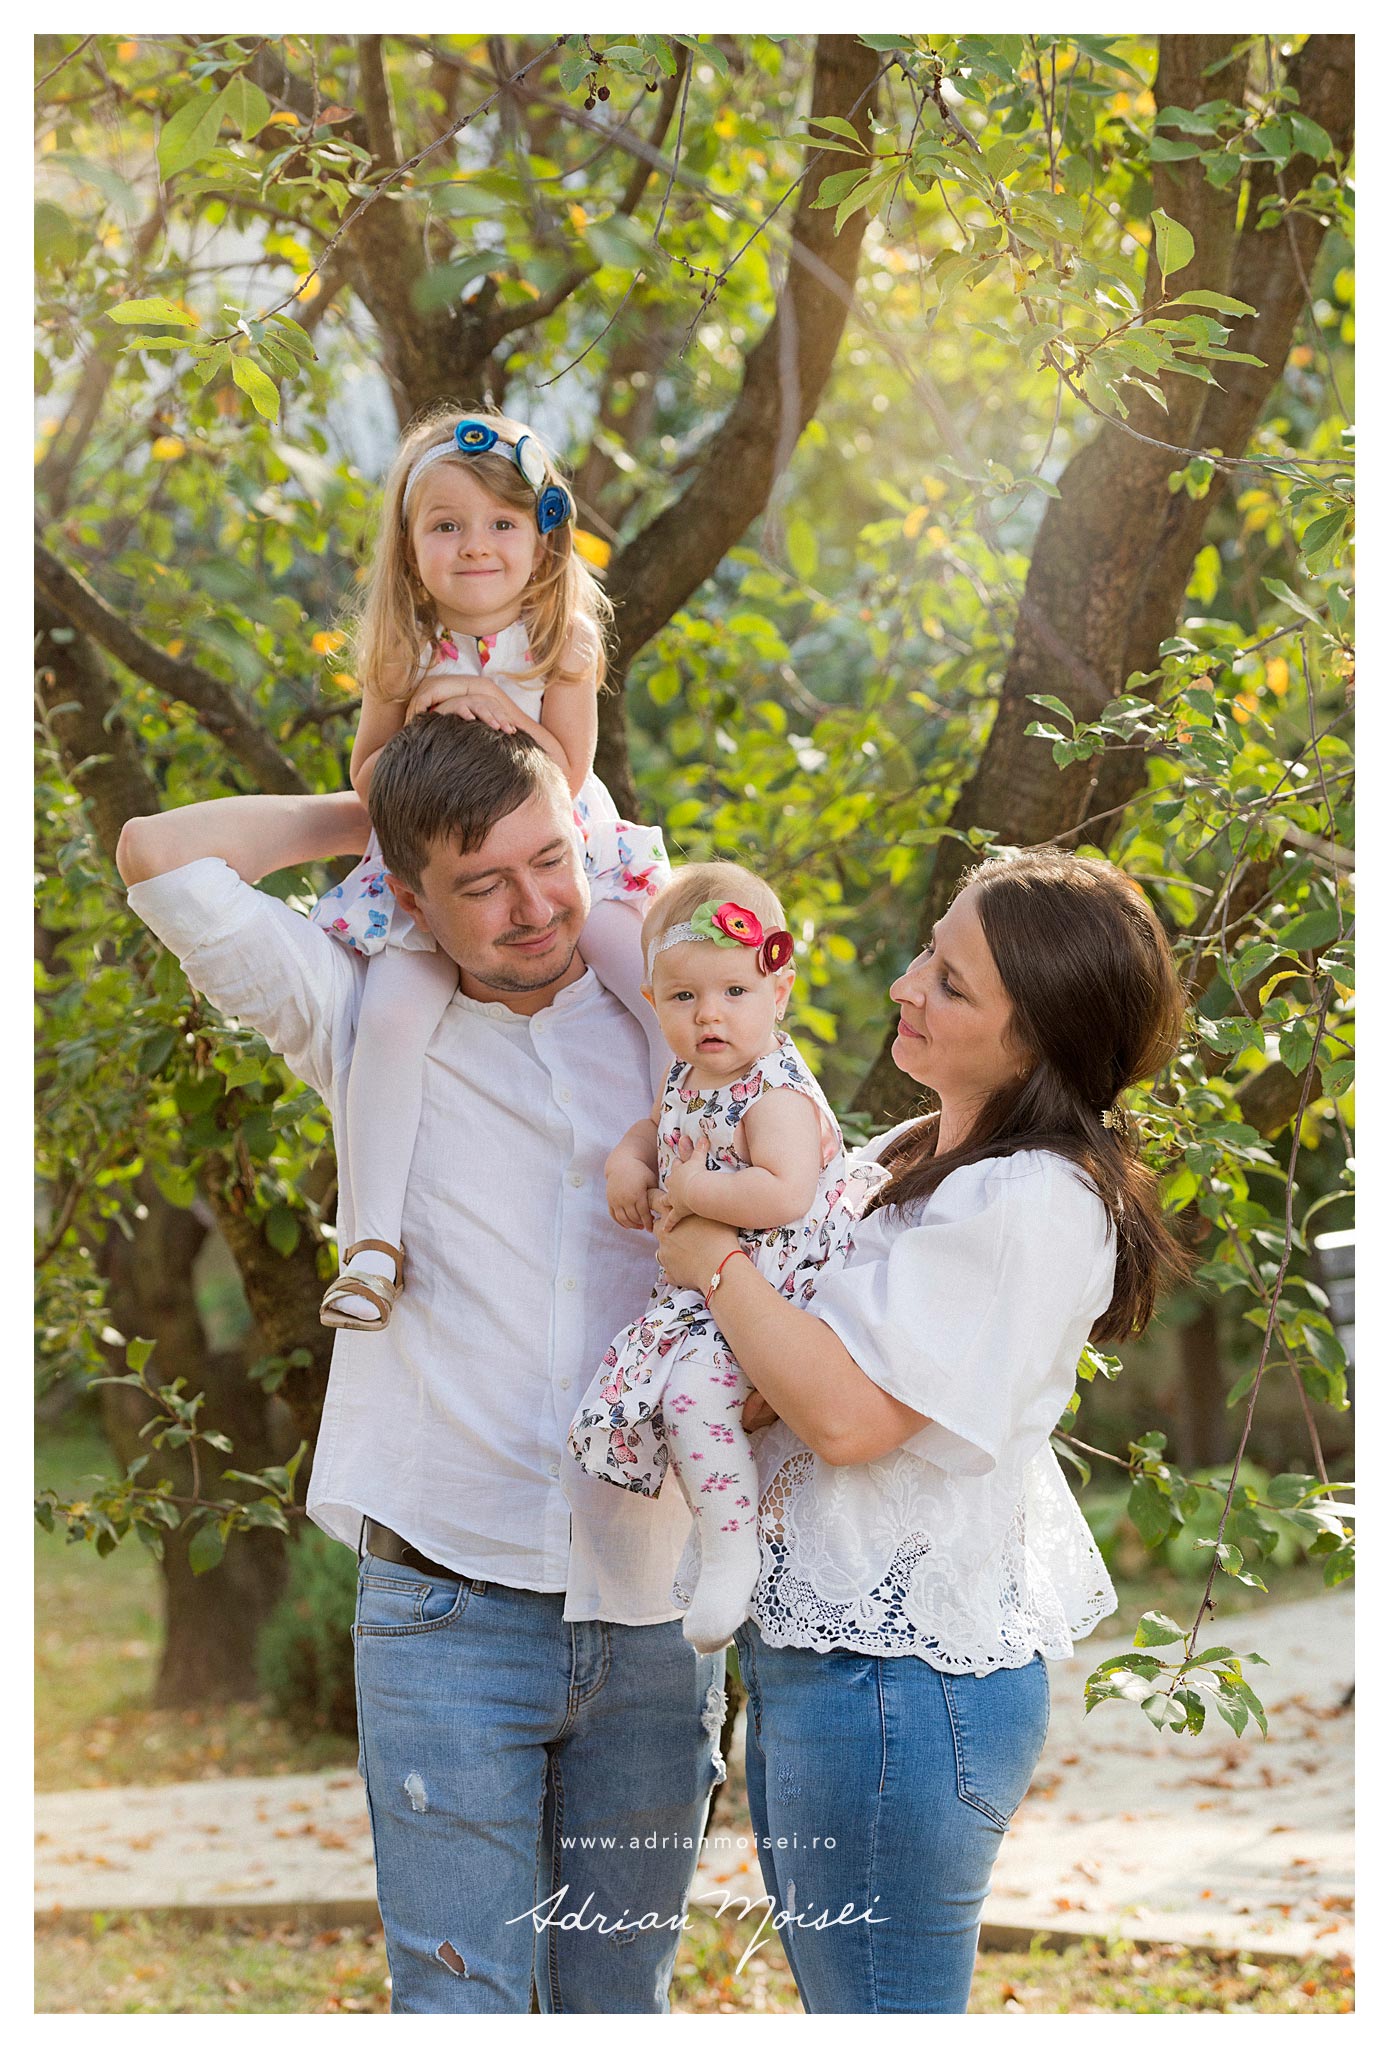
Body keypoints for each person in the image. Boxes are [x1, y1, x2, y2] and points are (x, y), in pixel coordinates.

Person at [116, 716, 723, 2014]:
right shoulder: (352, 1019)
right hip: (446, 1614)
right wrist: (373, 812)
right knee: (459, 2010)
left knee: (619, 2011)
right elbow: (160, 858)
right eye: (479, 882)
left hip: (657, 1609)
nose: (531, 908)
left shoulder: (674, 1016)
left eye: (548, 860)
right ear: (407, 899)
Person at [654, 849, 1189, 2014]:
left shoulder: (1027, 1198)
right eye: (928, 949)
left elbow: (845, 1415)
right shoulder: (906, 1157)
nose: (905, 983)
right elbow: (781, 1379)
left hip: (899, 1681)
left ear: (1035, 1037)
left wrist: (714, 1262)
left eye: (951, 981)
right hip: (830, 1666)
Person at [308, 407, 665, 1330]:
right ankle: (371, 1245)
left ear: (542, 539)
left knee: (661, 984)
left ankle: (692, 1157)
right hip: (433, 868)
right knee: (386, 1023)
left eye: (503, 523)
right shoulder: (399, 648)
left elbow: (570, 772)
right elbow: (369, 772)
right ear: (409, 543)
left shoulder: (562, 643)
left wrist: (471, 696)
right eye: (447, 525)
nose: (476, 546)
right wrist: (427, 697)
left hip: (562, 855)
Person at [568, 862, 884, 1654]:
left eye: (735, 993)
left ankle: (731, 1548)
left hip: (780, 1290)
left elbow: (781, 1193)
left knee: (693, 1402)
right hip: (713, 1291)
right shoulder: (687, 1076)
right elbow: (653, 1126)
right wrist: (629, 1161)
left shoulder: (773, 1091)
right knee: (673, 1397)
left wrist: (689, 1184)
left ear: (778, 994)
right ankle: (724, 1527)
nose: (710, 1014)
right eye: (684, 997)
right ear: (654, 1002)